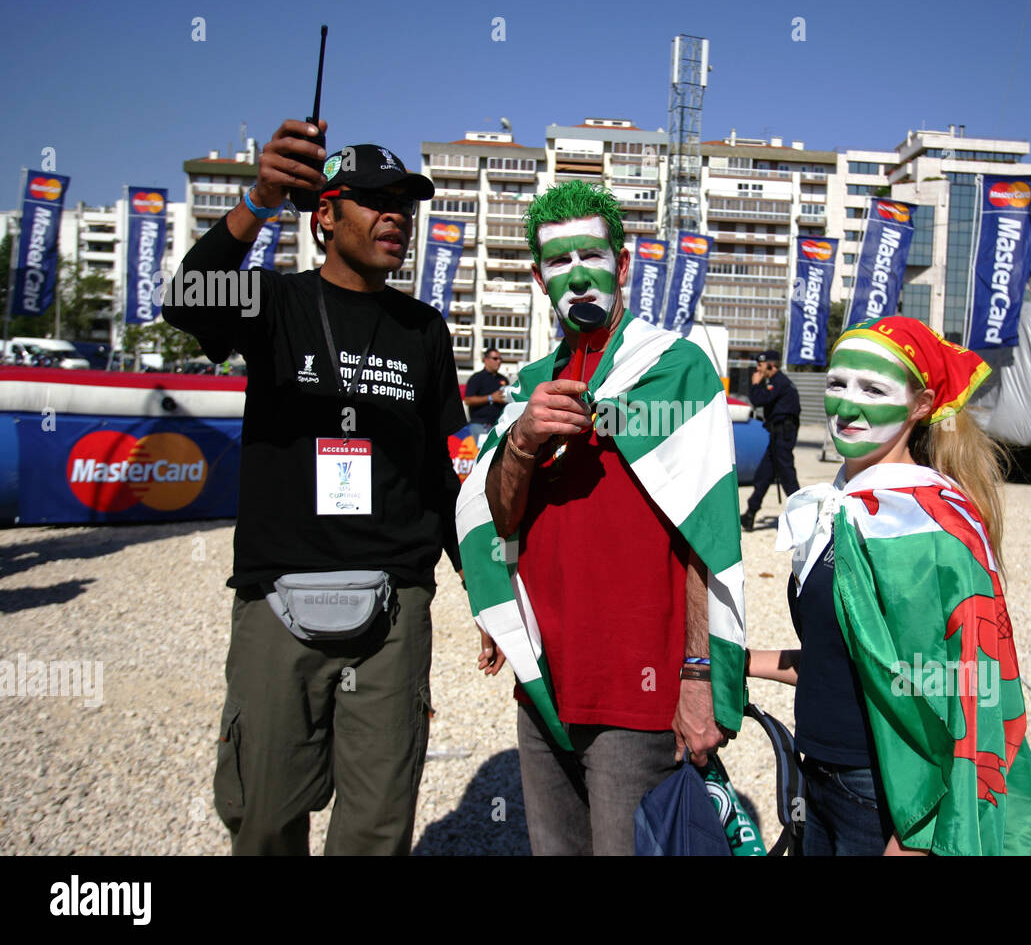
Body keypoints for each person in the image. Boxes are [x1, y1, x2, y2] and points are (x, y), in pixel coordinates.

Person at [163, 119, 465, 855]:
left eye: (406, 203)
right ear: (324, 215)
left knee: (376, 826)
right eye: (373, 200)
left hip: (395, 606)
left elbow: (443, 470)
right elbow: (185, 302)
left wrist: (488, 593)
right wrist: (260, 197)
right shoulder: (275, 303)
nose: (397, 215)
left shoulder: (424, 329)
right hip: (279, 594)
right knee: (264, 816)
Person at [456, 179, 747, 856]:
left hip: (638, 692)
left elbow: (705, 535)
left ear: (624, 264)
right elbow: (500, 520)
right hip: (545, 686)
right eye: (558, 261)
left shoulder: (676, 372)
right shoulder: (527, 386)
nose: (577, 274)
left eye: (592, 254)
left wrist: (698, 675)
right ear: (537, 277)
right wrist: (523, 443)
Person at [746, 317, 1031, 855]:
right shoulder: (840, 507)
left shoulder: (934, 528)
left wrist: (914, 840)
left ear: (921, 405)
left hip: (884, 803)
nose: (846, 403)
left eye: (873, 389)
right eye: (838, 383)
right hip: (814, 781)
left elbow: (968, 696)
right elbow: (848, 663)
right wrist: (736, 660)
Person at [740, 350, 801, 532]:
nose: (758, 369)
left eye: (761, 365)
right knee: (764, 475)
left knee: (787, 476)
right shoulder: (774, 382)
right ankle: (750, 514)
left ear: (771, 366)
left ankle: (804, 516)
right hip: (777, 434)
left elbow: (757, 400)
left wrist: (755, 384)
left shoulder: (778, 383)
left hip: (783, 434)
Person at [463, 346, 509, 438]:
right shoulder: (477, 378)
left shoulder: (503, 379)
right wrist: (491, 398)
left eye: (500, 359)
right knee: (483, 451)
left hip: (499, 424)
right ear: (485, 360)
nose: (498, 361)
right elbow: (468, 400)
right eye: (495, 358)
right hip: (481, 424)